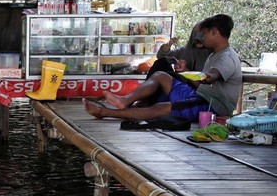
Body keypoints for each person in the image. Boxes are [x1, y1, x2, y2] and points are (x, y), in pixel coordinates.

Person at [84, 14, 241, 122]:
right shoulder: (214, 54)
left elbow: (210, 77)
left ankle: (104, 112)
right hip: (200, 95)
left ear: (214, 32)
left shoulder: (226, 58)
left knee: (160, 108)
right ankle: (125, 100)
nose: (202, 38)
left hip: (212, 107)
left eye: (204, 34)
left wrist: (192, 74)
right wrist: (186, 73)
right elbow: (204, 85)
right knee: (160, 74)